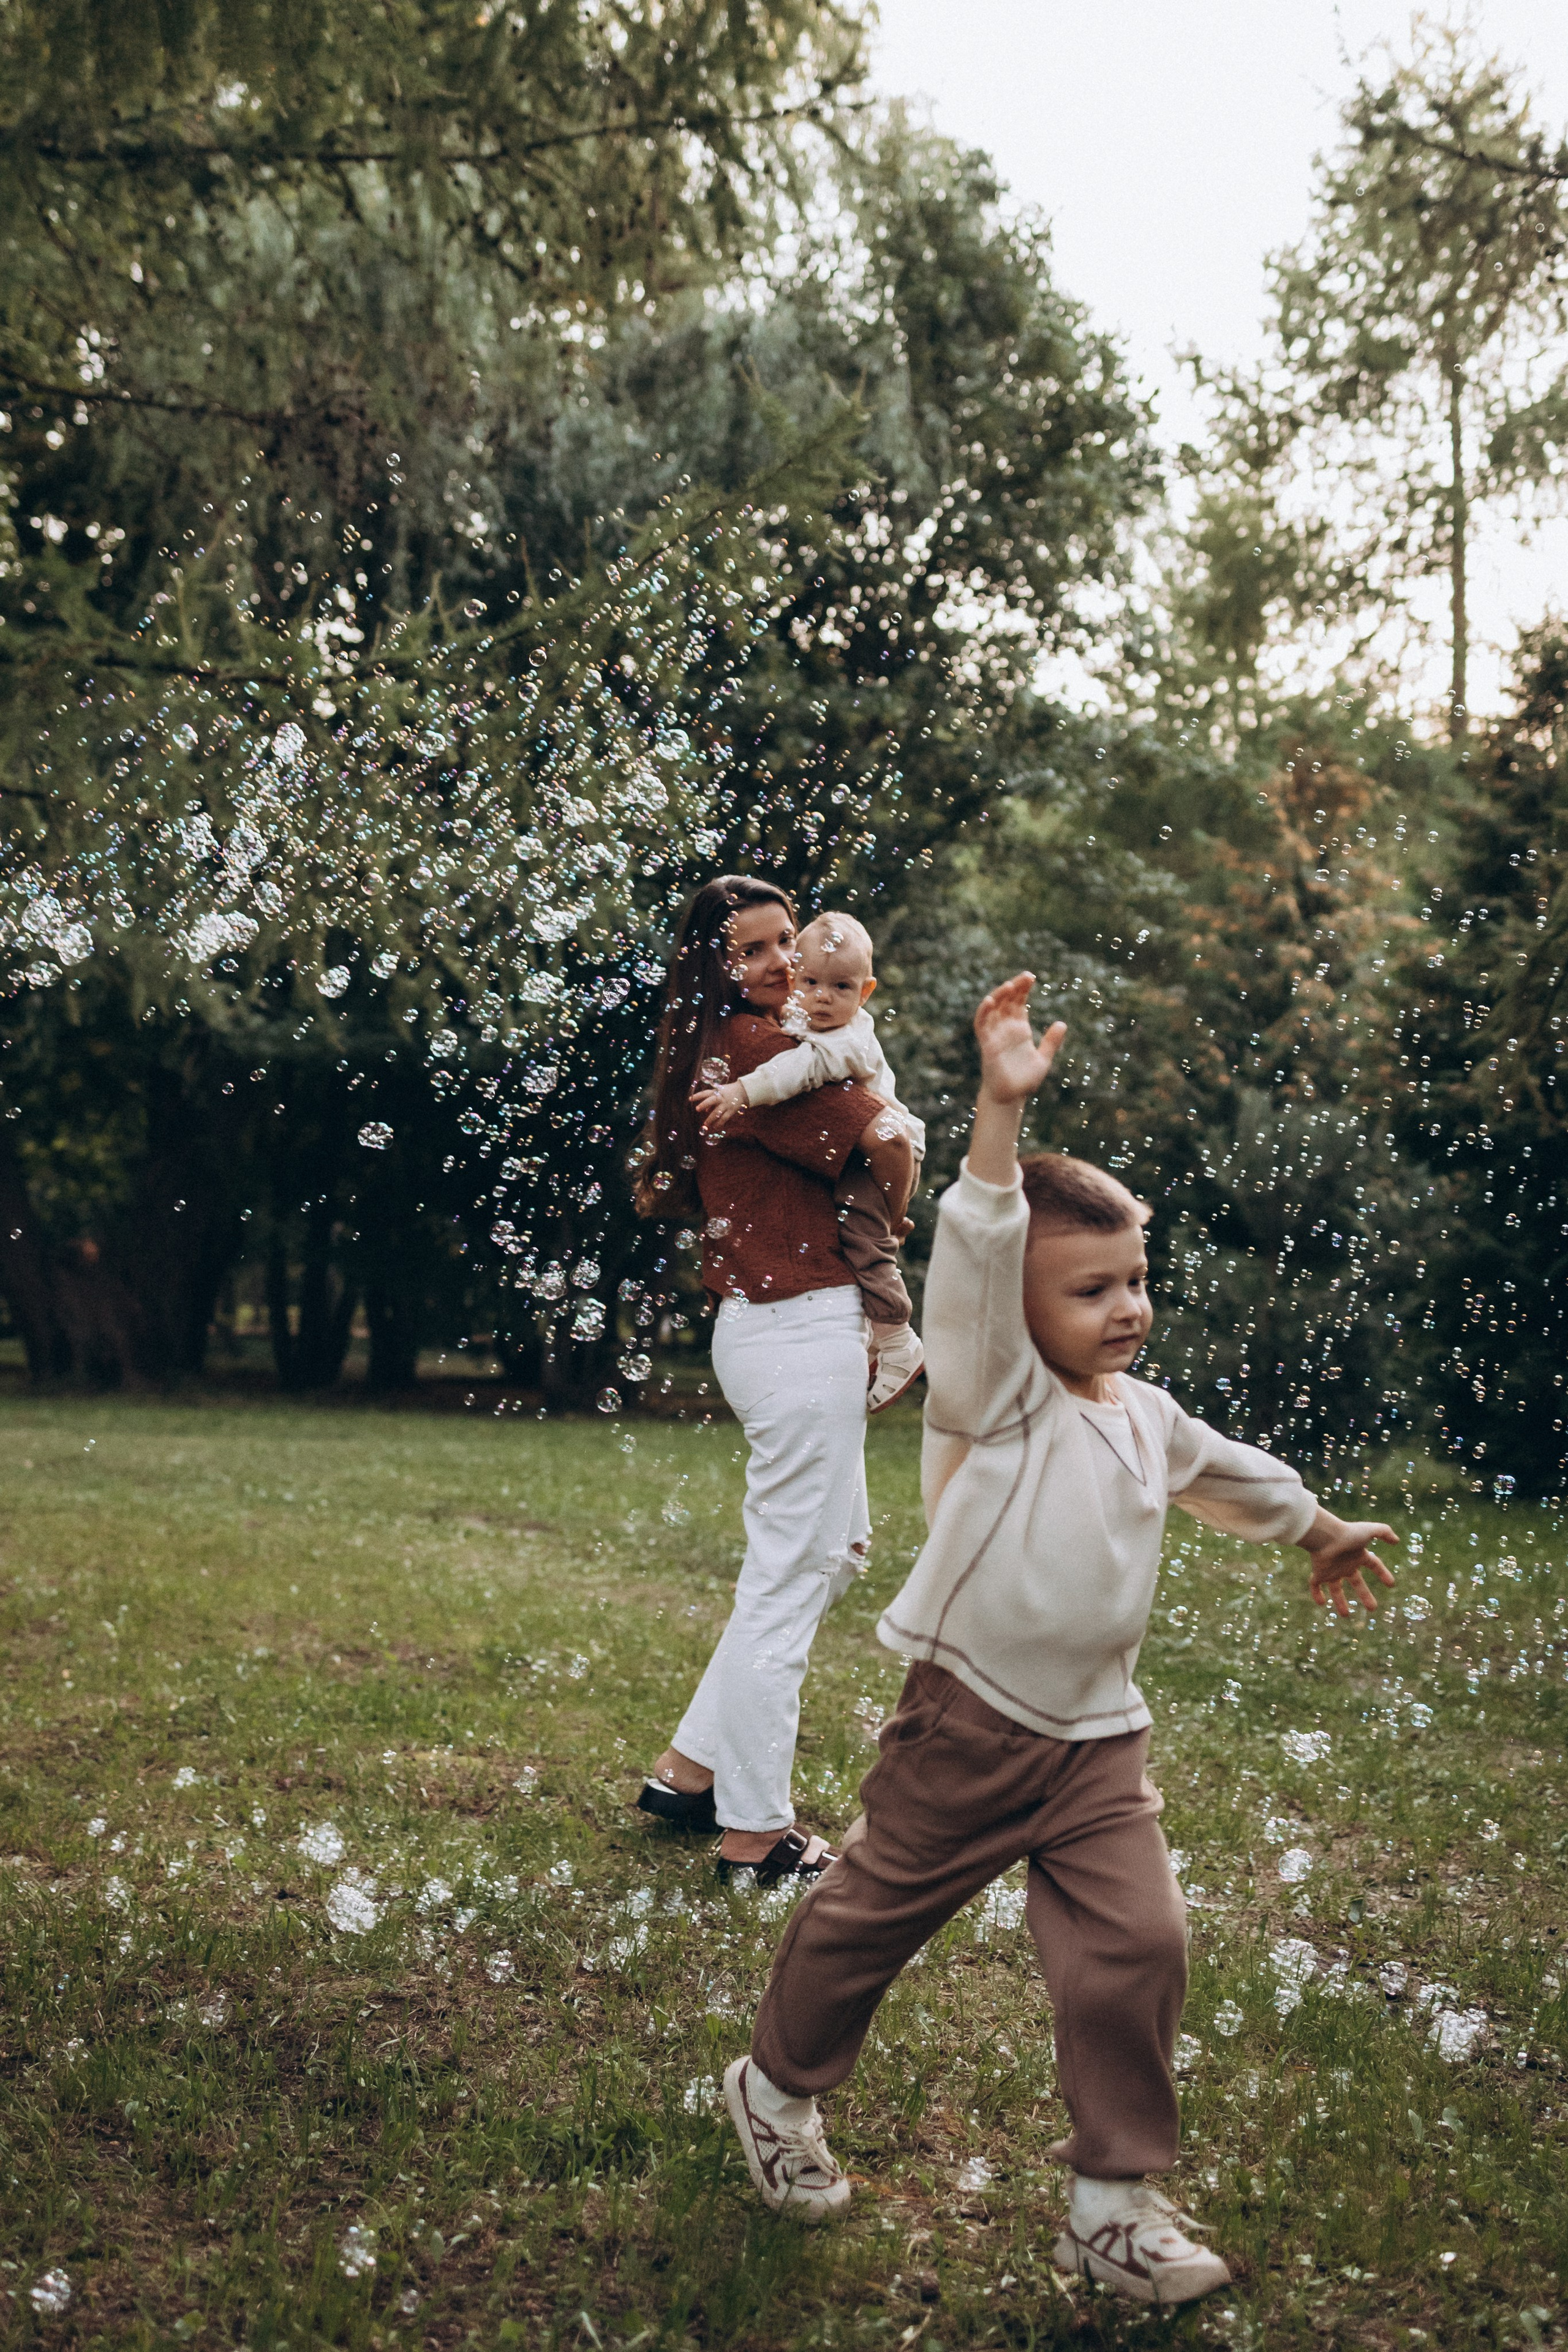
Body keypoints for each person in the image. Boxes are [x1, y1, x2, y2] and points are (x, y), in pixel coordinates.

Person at [722, 970, 1397, 2305]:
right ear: (1018, 1319)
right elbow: (973, 1254)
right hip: (965, 1723)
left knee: (1138, 1947)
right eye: (1091, 1291)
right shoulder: (990, 1402)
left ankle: (1111, 2210)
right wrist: (992, 1114)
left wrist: (1314, 1526)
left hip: (1098, 1741)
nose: (1127, 1309)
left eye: (1133, 1280)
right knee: (868, 1920)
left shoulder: (1138, 1412)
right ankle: (774, 2090)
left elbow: (1227, 1473)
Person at [631, 876, 916, 1881]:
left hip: (777, 1327)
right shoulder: (758, 1050)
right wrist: (901, 1203)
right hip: (799, 1328)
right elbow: (886, 1135)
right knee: (789, 1582)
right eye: (750, 949)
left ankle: (690, 1769)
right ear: (711, 966)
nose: (779, 963)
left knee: (829, 1555)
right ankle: (756, 1836)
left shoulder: (745, 1045)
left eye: (787, 941)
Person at [692, 910, 926, 1412]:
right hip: (791, 1312)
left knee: (868, 1239)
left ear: (864, 993)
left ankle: (897, 1337)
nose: (820, 994)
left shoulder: (841, 1038)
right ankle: (879, 1336)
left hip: (889, 1152)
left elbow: (883, 1136)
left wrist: (741, 1092)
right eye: (752, 952)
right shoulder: (766, 1031)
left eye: (783, 942)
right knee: (868, 1233)